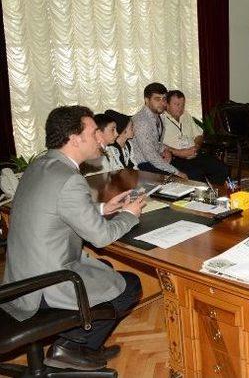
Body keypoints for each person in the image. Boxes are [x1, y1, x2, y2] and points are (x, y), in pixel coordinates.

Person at [0, 105, 146, 370]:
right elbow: (101, 238)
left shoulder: (42, 165)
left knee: (107, 270)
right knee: (130, 285)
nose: (99, 138)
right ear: (75, 138)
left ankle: (81, 347)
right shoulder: (70, 178)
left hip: (20, 276)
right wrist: (130, 215)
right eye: (93, 133)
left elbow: (57, 210)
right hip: (46, 283)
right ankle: (69, 348)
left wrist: (103, 209)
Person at [162, 90, 228, 183]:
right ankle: (198, 194)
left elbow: (199, 135)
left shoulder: (186, 115)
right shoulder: (160, 119)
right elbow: (158, 144)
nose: (180, 108)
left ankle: (211, 193)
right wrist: (179, 152)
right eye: (176, 104)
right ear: (167, 105)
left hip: (193, 154)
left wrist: (196, 146)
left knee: (221, 168)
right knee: (195, 174)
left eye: (182, 105)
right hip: (175, 158)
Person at [130, 82, 188, 179]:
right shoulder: (142, 121)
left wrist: (166, 150)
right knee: (183, 176)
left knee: (194, 169)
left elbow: (155, 142)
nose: (162, 103)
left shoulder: (158, 116)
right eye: (157, 99)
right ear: (146, 100)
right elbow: (151, 156)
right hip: (143, 165)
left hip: (156, 159)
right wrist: (176, 172)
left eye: (164, 99)